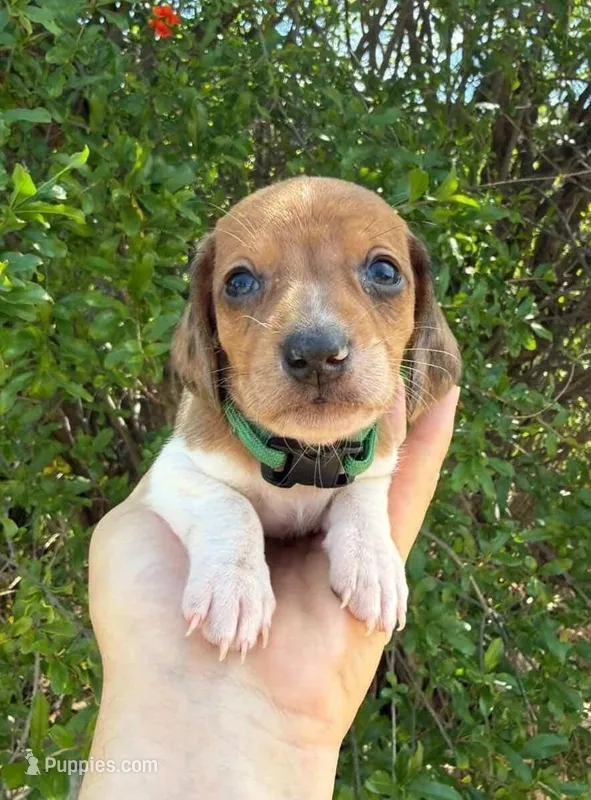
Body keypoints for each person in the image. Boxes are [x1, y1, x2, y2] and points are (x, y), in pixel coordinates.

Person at [80, 386, 460, 799]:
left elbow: (371, 475)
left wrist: (363, 515)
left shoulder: (373, 435)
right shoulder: (210, 426)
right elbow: (177, 476)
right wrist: (227, 534)